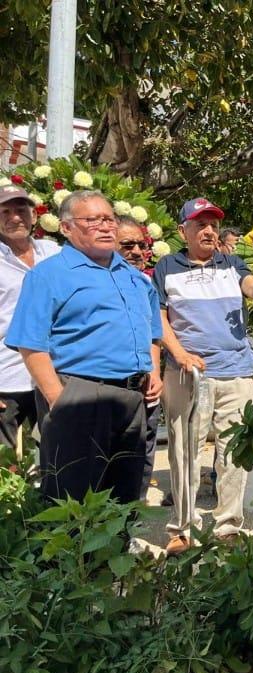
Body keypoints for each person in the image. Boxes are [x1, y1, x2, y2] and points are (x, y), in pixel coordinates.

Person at [6, 190, 162, 503]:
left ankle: (120, 551)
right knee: (74, 498)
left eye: (109, 219)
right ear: (66, 228)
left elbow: (152, 332)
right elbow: (30, 343)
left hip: (133, 398)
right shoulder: (48, 276)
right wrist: (57, 397)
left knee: (126, 494)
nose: (106, 227)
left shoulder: (134, 278)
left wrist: (154, 370)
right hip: (79, 394)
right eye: (92, 220)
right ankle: (76, 555)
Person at [154, 197, 253, 555]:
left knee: (233, 454)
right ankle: (183, 528)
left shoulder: (233, 264)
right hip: (187, 374)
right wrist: (178, 354)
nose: (209, 230)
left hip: (236, 373)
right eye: (200, 224)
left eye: (214, 224)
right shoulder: (167, 266)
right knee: (184, 451)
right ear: (182, 231)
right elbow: (159, 316)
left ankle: (228, 527)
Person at [0, 186, 61, 450]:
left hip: (53, 373)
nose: (15, 217)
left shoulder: (53, 252)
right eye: (6, 211)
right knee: (5, 466)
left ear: (34, 216)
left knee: (56, 458)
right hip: (6, 378)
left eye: (21, 210)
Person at [116, 216, 162, 501]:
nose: (136, 251)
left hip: (146, 386)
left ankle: (132, 522)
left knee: (141, 459)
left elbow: (154, 336)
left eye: (141, 245)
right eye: (127, 245)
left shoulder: (146, 284)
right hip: (111, 388)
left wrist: (155, 375)